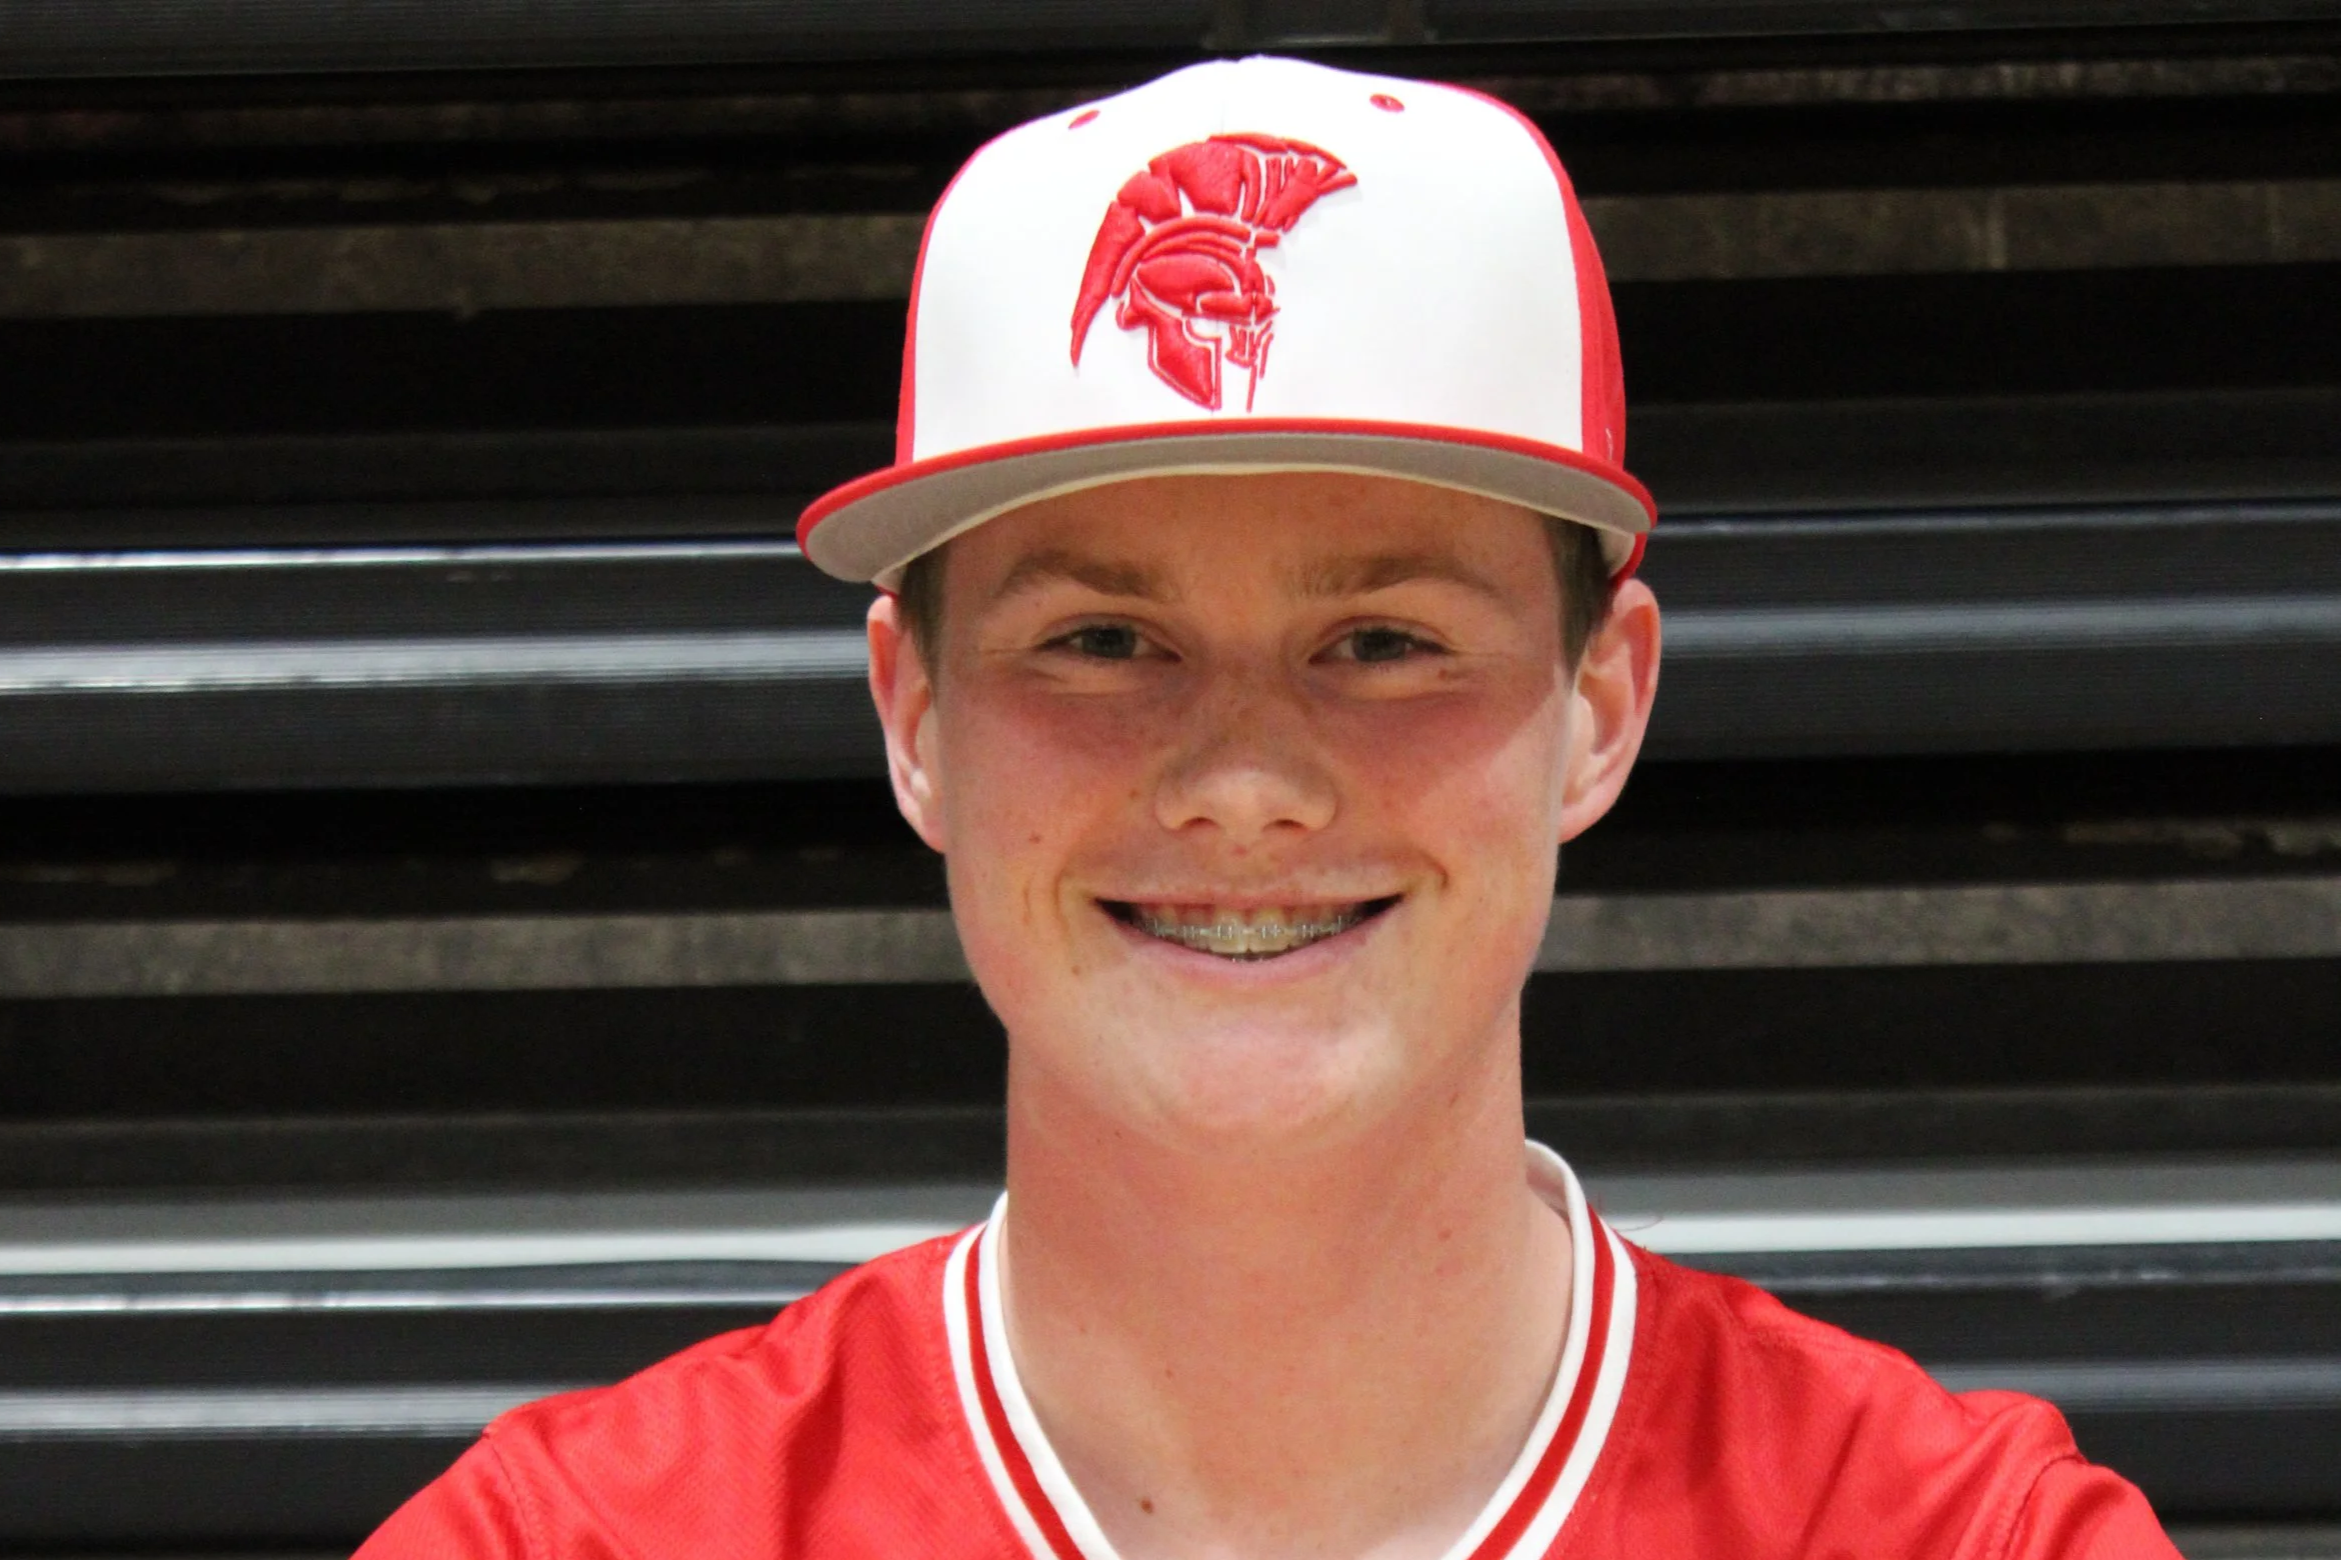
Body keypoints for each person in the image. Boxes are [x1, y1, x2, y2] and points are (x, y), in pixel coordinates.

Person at [359, 56, 2180, 1559]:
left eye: (1384, 641)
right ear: (915, 717)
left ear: (1600, 706)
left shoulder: (1959, 1539)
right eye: (1101, 641)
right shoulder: (572, 1543)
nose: (1242, 784)